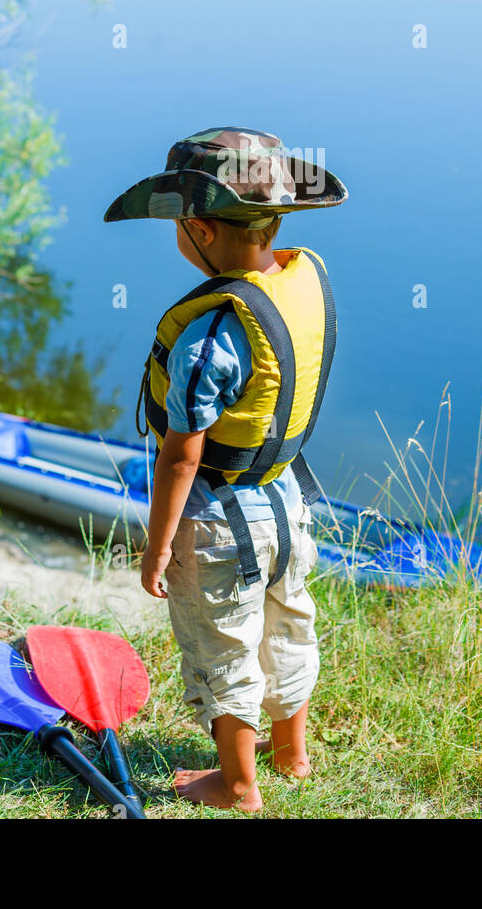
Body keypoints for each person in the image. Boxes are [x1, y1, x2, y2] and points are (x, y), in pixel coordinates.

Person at [104, 127, 347, 811]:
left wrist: (156, 547)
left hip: (216, 519)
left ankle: (237, 784)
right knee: (289, 625)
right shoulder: (308, 280)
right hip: (288, 501)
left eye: (180, 225)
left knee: (224, 645)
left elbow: (181, 455)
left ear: (201, 231)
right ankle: (291, 753)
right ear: (274, 220)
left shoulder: (207, 337)